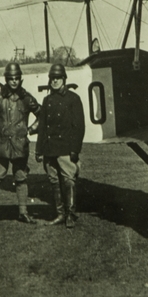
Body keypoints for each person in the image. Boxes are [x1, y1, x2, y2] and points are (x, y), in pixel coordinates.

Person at [0, 62, 41, 225]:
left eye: (16, 78)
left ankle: (23, 212)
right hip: (1, 146)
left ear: (20, 79)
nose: (14, 81)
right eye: (11, 78)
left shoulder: (27, 98)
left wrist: (31, 129)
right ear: (6, 79)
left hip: (20, 147)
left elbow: (42, 115)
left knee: (21, 179)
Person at [36, 63, 86, 227]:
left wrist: (75, 150)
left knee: (68, 181)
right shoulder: (47, 100)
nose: (55, 81)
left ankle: (70, 214)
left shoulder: (73, 99)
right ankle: (60, 214)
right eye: (52, 78)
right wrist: (39, 150)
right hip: (50, 149)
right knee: (54, 181)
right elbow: (42, 127)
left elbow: (79, 127)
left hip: (65, 149)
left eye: (58, 78)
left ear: (64, 79)